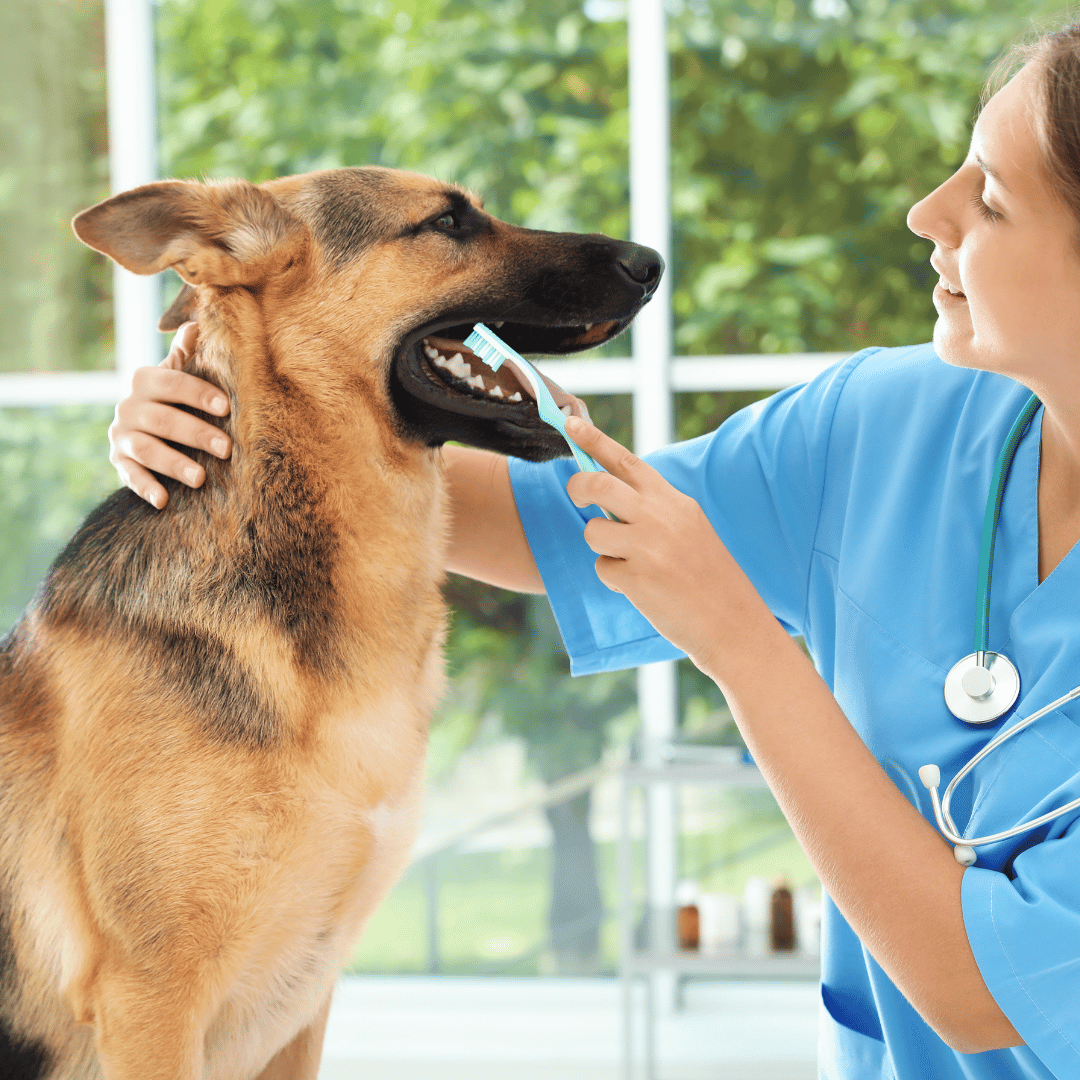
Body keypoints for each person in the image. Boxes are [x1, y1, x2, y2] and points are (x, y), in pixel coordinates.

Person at [106, 25, 1080, 1079]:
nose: (925, 212)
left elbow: (985, 993)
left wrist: (743, 647)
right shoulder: (893, 426)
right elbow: (553, 518)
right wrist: (232, 417)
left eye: (989, 197)